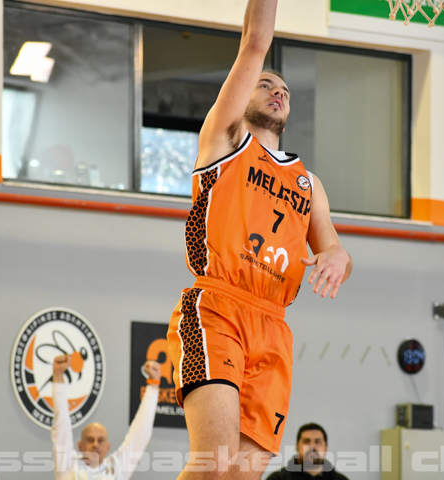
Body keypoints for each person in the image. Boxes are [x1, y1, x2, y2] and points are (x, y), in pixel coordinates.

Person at [166, 1, 353, 479]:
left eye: (284, 90)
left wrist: (337, 257)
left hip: (273, 326)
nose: (277, 91)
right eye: (266, 84)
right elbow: (255, 43)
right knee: (214, 466)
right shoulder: (225, 139)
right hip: (218, 307)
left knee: (239, 477)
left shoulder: (308, 183)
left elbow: (333, 247)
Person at [52, 355, 160, 480]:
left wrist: (153, 385)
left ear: (108, 447)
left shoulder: (117, 468)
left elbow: (140, 433)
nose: (95, 445)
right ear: (80, 445)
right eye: (90, 440)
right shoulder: (68, 467)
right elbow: (61, 424)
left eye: (101, 440)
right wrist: (58, 375)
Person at [266, 424, 349, 480]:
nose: (312, 446)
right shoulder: (277, 478)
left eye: (318, 442)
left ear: (325, 448)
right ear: (297, 446)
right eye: (306, 441)